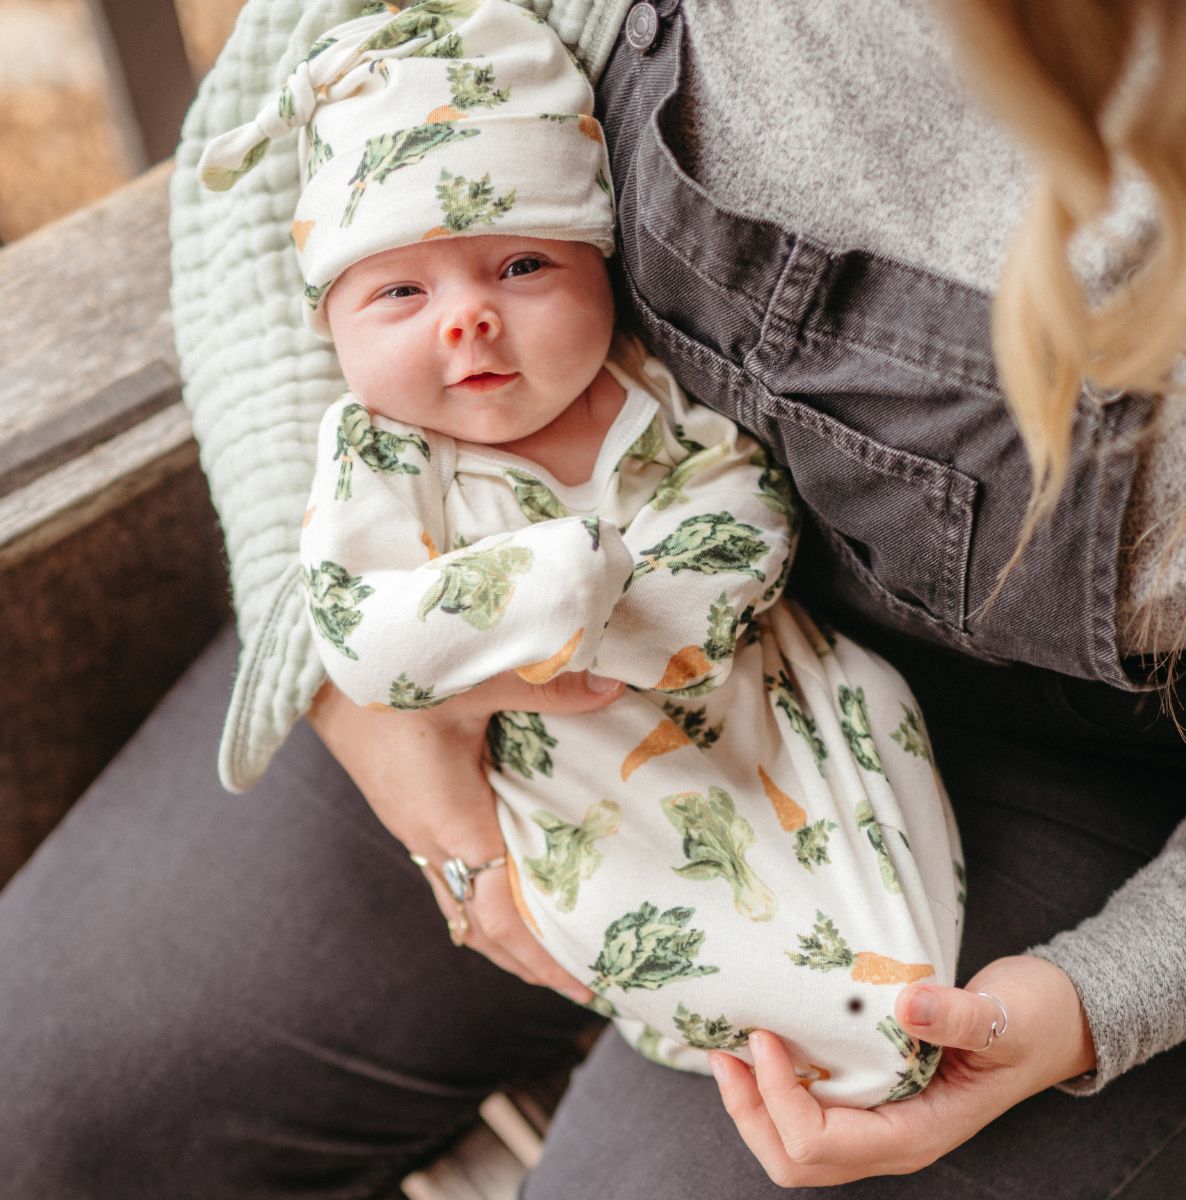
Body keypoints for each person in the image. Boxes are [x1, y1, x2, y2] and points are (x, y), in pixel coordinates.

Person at [0, 0, 1186, 1197]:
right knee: (40, 1105)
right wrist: (348, 676)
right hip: (466, 580)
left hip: (1054, 764)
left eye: (522, 263)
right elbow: (300, 69)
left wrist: (1101, 997)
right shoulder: (402, 462)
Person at [195, 0, 963, 1105]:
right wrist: (557, 582)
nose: (466, 320)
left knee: (875, 722)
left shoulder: (642, 394)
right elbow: (360, 635)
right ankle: (821, 1031)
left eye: (519, 266)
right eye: (401, 291)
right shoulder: (375, 449)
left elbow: (744, 511)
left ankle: (898, 974)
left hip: (752, 693)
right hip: (565, 772)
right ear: (330, 327)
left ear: (600, 267)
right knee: (634, 890)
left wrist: (637, 606)